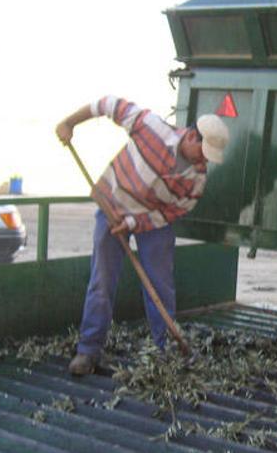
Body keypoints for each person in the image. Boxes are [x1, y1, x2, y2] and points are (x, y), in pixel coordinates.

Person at [55, 95, 229, 376]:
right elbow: (107, 104)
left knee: (160, 285)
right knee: (102, 279)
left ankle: (166, 354)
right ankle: (88, 351)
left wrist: (135, 223)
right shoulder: (150, 127)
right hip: (112, 206)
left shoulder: (197, 180)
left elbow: (173, 212)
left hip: (152, 222)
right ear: (192, 137)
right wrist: (69, 123)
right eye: (204, 153)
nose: (204, 162)